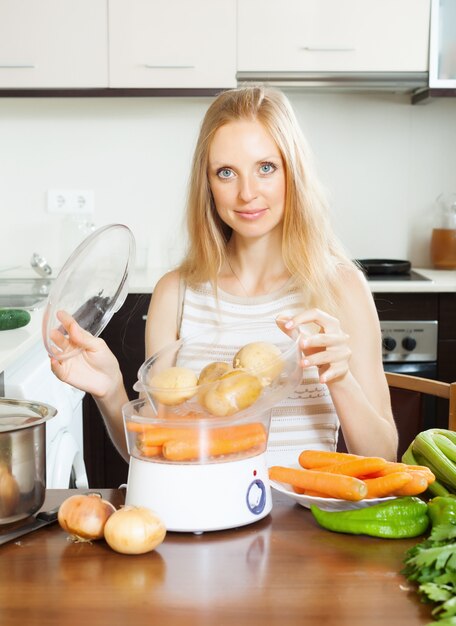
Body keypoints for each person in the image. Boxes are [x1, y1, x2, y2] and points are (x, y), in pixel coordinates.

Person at [51, 85, 398, 466]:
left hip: (301, 521)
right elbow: (153, 451)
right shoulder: (176, 292)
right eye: (226, 173)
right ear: (209, 184)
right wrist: (111, 389)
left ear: (292, 172)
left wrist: (340, 378)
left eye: (266, 168)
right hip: (203, 518)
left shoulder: (341, 288)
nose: (247, 193)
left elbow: (383, 454)